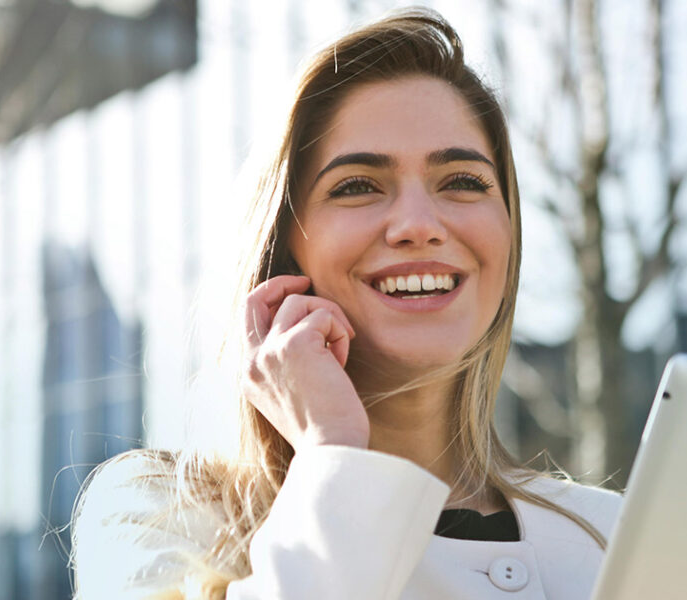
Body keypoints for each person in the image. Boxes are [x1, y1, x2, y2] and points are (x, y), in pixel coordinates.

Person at [71, 8, 622, 600]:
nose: (418, 225)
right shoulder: (159, 516)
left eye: (463, 181)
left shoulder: (609, 534)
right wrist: (332, 452)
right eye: (357, 185)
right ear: (285, 249)